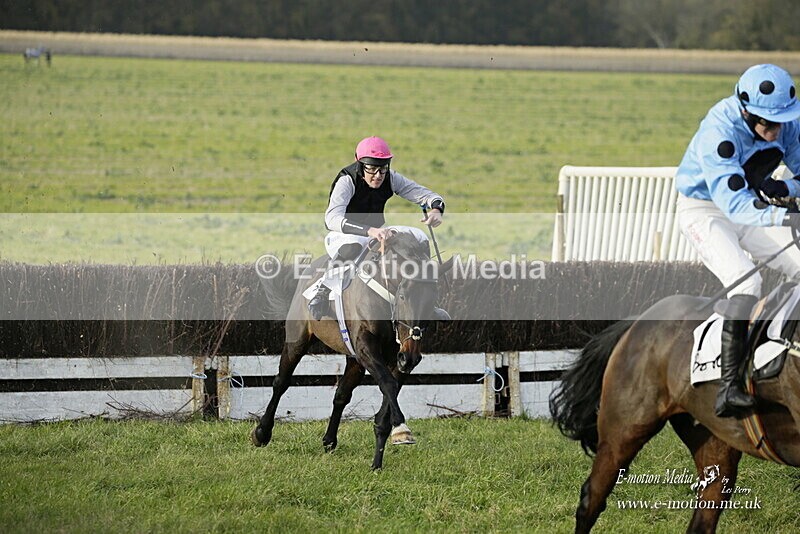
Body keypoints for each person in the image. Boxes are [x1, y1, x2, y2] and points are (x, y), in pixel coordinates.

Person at [675, 63, 800, 417]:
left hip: (753, 204)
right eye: (767, 124)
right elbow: (736, 206)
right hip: (705, 210)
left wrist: (786, 187)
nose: (776, 133)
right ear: (744, 110)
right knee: (747, 283)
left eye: (781, 122)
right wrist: (787, 214)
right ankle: (728, 388)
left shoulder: (785, 124)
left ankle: (778, 353)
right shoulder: (720, 131)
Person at [308, 136, 447, 320]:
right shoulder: (347, 181)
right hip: (343, 235)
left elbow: (424, 194)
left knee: (420, 235)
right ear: (360, 164)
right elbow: (331, 219)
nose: (378, 176)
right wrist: (369, 230)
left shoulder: (390, 178)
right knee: (354, 245)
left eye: (382, 169)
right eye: (371, 169)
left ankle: (425, 296)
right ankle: (322, 292)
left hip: (376, 233)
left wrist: (437, 208)